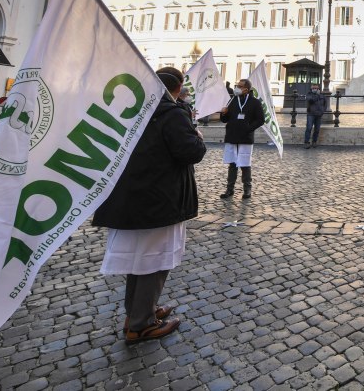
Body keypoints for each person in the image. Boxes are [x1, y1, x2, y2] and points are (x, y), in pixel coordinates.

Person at [92, 67, 207, 342]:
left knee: (139, 260)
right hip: (159, 199)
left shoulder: (132, 111)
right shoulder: (172, 113)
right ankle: (141, 323)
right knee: (155, 260)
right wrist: (198, 138)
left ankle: (137, 311)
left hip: (131, 196)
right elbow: (189, 151)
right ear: (177, 88)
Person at [219, 78, 266, 199]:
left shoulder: (255, 102)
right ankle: (230, 189)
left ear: (246, 89)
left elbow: (260, 120)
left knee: (245, 164)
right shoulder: (232, 100)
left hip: (245, 137)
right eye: (237, 86)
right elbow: (225, 119)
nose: (237, 88)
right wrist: (223, 113)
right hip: (232, 135)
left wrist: (248, 128)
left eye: (240, 86)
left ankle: (247, 190)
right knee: (232, 164)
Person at [304, 84, 326, 149]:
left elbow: (325, 104)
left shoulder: (322, 96)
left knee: (317, 129)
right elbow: (311, 100)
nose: (314, 89)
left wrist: (322, 111)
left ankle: (314, 142)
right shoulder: (309, 95)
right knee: (309, 128)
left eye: (316, 88)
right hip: (311, 114)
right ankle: (306, 142)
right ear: (311, 89)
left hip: (319, 114)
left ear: (318, 89)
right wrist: (317, 95)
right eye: (313, 88)